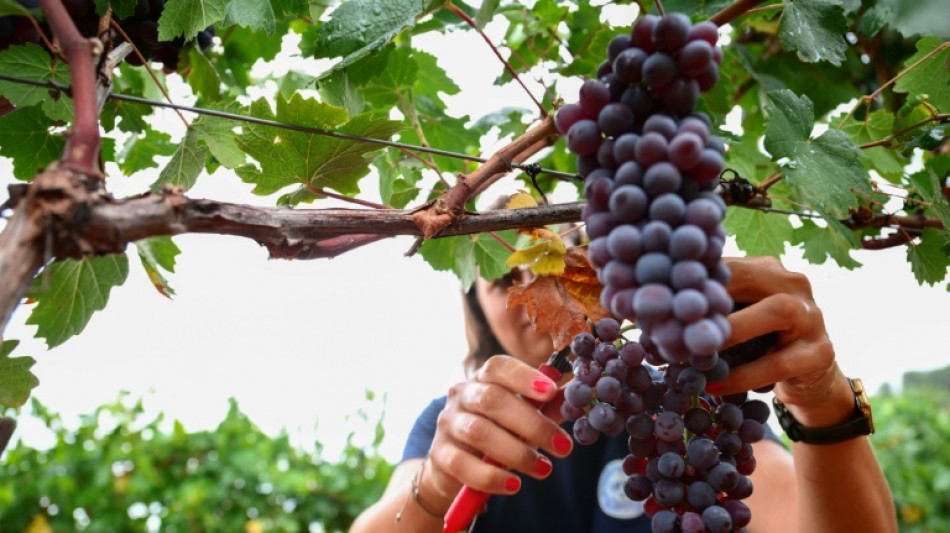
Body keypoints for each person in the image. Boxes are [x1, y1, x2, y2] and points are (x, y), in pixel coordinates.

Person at [349, 256, 897, 532]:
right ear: (480, 310)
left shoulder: (689, 404)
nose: (546, 287)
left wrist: (821, 400)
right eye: (506, 280)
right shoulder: (451, 425)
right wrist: (439, 482)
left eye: (569, 263)